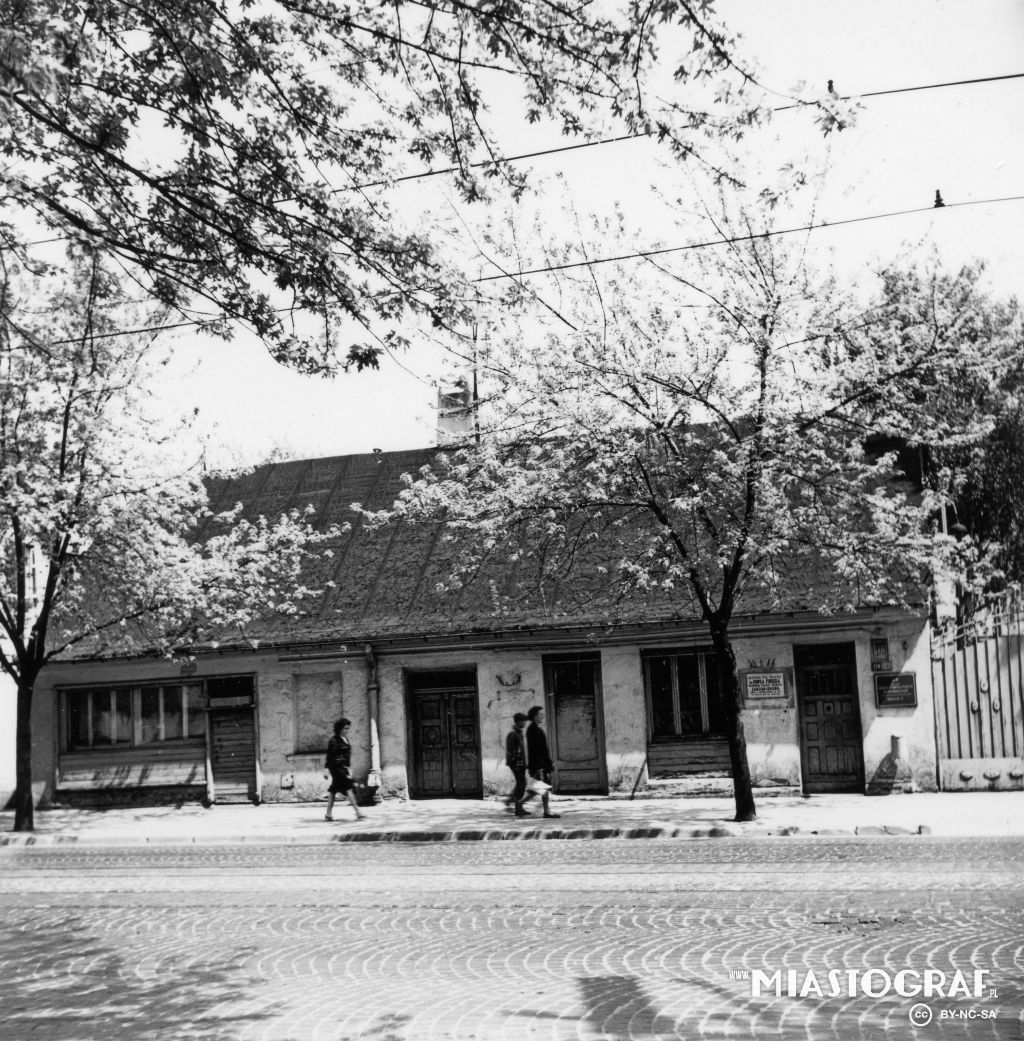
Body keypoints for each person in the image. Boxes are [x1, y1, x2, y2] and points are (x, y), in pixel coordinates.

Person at [324, 718, 365, 822]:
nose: (347, 730)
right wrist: (326, 769)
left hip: (343, 768)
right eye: (346, 728)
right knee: (348, 787)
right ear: (340, 728)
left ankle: (328, 814)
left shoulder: (345, 739)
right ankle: (358, 812)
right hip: (336, 768)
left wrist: (348, 767)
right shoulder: (334, 740)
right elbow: (329, 756)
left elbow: (347, 755)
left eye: (348, 728)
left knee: (334, 790)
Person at [526, 705, 559, 819]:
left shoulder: (533, 729)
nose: (543, 716)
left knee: (540, 787)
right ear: (535, 716)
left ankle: (546, 810)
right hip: (539, 764)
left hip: (539, 764)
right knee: (542, 787)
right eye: (540, 714)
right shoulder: (534, 730)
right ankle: (546, 811)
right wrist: (545, 765)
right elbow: (538, 750)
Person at [504, 712, 536, 817]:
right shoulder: (513, 734)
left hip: (520, 764)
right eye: (523, 721)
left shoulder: (519, 733)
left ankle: (514, 803)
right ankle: (518, 808)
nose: (525, 723)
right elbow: (511, 751)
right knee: (521, 784)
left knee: (521, 784)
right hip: (517, 764)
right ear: (518, 722)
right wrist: (516, 763)